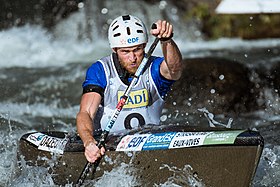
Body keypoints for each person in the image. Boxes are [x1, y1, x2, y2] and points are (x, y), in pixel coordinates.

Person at [76, 15, 183, 163]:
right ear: (115, 49)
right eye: (125, 52)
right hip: (110, 146)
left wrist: (167, 41)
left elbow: (174, 69)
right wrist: (88, 142)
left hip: (150, 146)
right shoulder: (101, 70)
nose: (132, 58)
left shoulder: (154, 68)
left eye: (137, 50)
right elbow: (85, 112)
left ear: (145, 45)